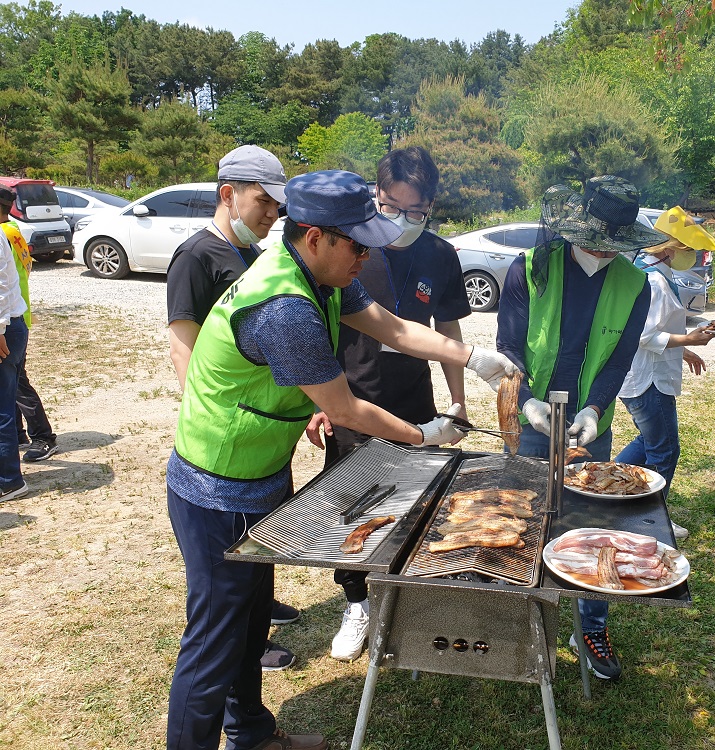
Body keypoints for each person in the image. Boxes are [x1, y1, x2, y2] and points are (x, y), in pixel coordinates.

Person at [165, 168, 514, 750]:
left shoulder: (324, 275)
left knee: (250, 620)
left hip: (259, 472)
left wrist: (473, 355)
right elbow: (344, 408)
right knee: (213, 640)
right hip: (217, 485)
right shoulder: (285, 306)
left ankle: (250, 734)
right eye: (359, 245)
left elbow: (394, 329)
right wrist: (423, 434)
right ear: (315, 236)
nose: (367, 256)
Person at [313, 146, 471, 662]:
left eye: (416, 212)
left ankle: (405, 590)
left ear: (431, 206)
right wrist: (318, 401)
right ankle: (356, 602)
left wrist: (457, 400)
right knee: (351, 505)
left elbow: (446, 329)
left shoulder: (440, 254)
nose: (402, 221)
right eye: (391, 207)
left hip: (413, 397)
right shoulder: (352, 247)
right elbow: (317, 327)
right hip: (352, 396)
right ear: (375, 195)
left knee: (414, 501)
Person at [496, 175, 657, 681]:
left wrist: (593, 409)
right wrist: (526, 401)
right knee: (521, 516)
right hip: (533, 418)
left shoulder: (636, 284)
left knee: (591, 522)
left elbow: (620, 359)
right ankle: (516, 612)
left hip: (590, 426)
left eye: (615, 245)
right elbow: (509, 347)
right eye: (596, 241)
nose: (604, 253)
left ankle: (590, 625)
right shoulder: (529, 268)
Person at [166, 144, 300, 672]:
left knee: (259, 537)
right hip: (224, 436)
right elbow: (184, 345)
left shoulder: (256, 253)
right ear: (229, 194)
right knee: (220, 570)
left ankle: (259, 608)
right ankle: (244, 641)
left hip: (263, 432)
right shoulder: (196, 256)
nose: (271, 214)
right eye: (263, 202)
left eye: (277, 206)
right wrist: (204, 414)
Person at [616, 208, 715, 541]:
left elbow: (653, 329)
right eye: (690, 250)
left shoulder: (648, 271)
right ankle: (649, 519)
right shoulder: (655, 281)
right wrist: (689, 339)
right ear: (672, 248)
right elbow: (642, 334)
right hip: (648, 380)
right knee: (664, 450)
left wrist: (683, 349)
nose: (693, 257)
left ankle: (607, 491)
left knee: (649, 441)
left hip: (644, 374)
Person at [1, 216, 58, 461]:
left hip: (9, 319)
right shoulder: (13, 231)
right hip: (17, 313)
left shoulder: (4, 234)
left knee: (18, 383)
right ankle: (18, 433)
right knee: (12, 383)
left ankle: (43, 436)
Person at [0, 187, 29, 501]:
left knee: (3, 408)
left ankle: (9, 481)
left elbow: (2, 286)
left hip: (7, 328)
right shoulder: (10, 231)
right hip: (15, 322)